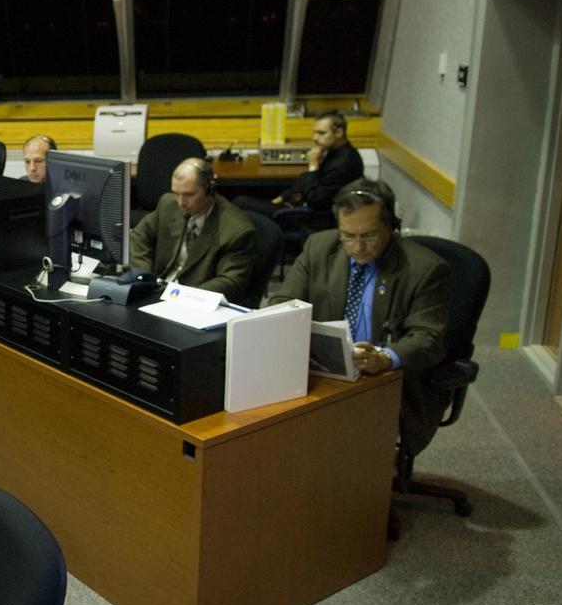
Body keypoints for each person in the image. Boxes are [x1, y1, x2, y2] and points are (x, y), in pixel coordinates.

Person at [268, 179, 451, 454]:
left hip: (384, 378)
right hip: (322, 369)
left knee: (331, 438)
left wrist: (385, 358)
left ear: (391, 226)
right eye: (348, 235)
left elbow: (429, 338)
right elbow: (282, 302)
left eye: (369, 235)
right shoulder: (319, 248)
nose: (358, 246)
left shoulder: (424, 269)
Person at [129, 157, 256, 303]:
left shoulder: (237, 230)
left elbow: (231, 282)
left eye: (189, 195)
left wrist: (185, 297)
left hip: (195, 300)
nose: (181, 202)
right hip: (157, 290)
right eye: (176, 193)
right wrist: (144, 277)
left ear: (210, 190)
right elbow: (140, 236)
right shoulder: (168, 204)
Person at [234, 110, 364, 225]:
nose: (315, 138)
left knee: (240, 202)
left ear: (339, 132)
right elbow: (308, 181)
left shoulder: (344, 163)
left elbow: (315, 200)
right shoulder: (335, 152)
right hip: (303, 204)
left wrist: (313, 165)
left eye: (321, 133)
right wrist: (284, 196)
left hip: (313, 217)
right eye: (314, 133)